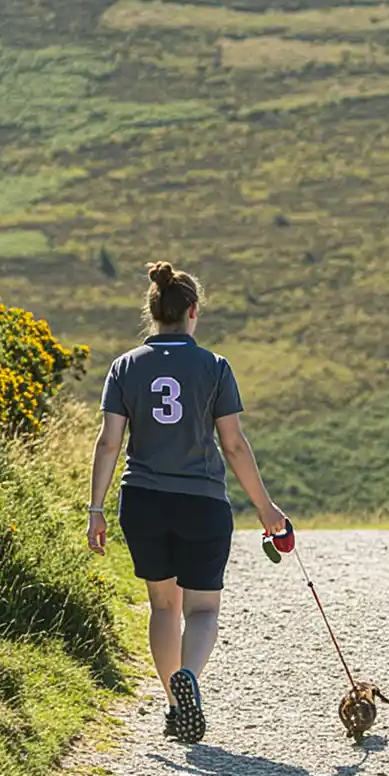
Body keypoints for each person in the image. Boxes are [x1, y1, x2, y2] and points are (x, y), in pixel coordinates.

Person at [87, 261, 290, 744]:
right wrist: (266, 507)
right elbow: (235, 445)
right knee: (202, 610)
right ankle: (191, 679)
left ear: (154, 312)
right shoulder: (214, 367)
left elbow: (108, 443)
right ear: (193, 312)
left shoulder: (125, 366)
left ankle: (175, 706)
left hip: (142, 500)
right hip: (201, 503)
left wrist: (95, 508)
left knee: (163, 607)